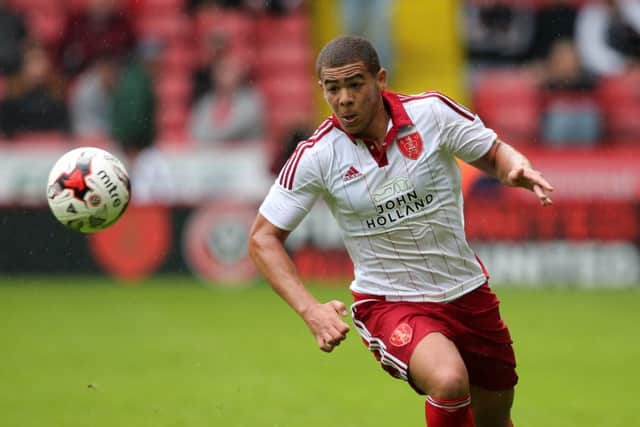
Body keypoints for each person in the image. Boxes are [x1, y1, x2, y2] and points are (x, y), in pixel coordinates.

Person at [248, 36, 554, 427]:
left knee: (494, 418)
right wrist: (310, 310)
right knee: (448, 380)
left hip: (467, 291)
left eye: (355, 84)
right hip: (390, 301)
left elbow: (493, 153)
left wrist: (515, 167)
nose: (343, 98)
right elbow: (262, 238)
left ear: (380, 79)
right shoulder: (317, 155)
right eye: (332, 88)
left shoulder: (432, 113)